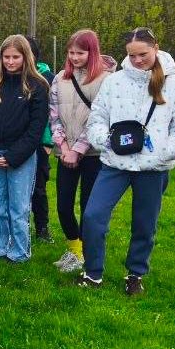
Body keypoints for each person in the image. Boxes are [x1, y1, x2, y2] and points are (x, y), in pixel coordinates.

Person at [77, 28, 175, 295]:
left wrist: (166, 151)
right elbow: (97, 117)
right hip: (114, 163)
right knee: (93, 216)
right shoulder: (114, 81)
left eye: (143, 54)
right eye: (132, 55)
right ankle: (93, 272)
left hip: (153, 167)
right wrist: (104, 141)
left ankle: (135, 274)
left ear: (156, 47)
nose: (138, 60)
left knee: (145, 223)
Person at [48, 30, 115, 274]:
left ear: (92, 52)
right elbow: (53, 115)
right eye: (71, 52)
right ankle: (74, 249)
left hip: (94, 155)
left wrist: (78, 149)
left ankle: (89, 254)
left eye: (81, 53)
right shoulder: (59, 79)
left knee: (89, 209)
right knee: (64, 206)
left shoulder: (106, 80)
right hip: (64, 153)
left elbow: (100, 118)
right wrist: (64, 147)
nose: (75, 57)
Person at [0, 35, 49, 263]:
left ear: (25, 57)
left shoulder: (37, 86)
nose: (10, 62)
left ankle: (19, 252)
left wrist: (14, 156)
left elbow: (36, 127)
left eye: (15, 57)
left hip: (22, 155)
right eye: (6, 57)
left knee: (18, 208)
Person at [26, 36, 56, 243]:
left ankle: (42, 228)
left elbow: (53, 113)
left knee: (38, 187)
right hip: (17, 139)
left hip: (39, 141)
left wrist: (47, 142)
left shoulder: (47, 78)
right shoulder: (11, 76)